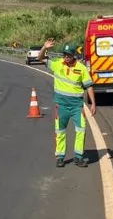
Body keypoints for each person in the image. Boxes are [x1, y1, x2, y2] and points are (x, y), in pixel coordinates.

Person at [38, 38, 97, 167]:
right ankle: (60, 157)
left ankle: (78, 156)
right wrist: (44, 47)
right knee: (60, 131)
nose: (66, 57)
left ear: (74, 55)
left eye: (69, 55)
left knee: (81, 129)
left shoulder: (81, 68)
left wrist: (93, 103)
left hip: (77, 106)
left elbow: (89, 86)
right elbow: (40, 58)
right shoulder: (58, 64)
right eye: (64, 54)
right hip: (61, 105)